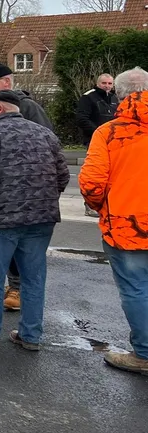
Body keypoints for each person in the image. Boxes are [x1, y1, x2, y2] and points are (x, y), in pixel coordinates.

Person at [0, 90, 68, 351]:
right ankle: (30, 335)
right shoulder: (44, 133)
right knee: (33, 278)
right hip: (41, 219)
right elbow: (63, 176)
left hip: (1, 220)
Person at [0, 61, 55, 312]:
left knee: (19, 255)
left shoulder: (29, 108)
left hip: (26, 199)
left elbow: (50, 150)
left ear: (7, 82)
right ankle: (17, 313)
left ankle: (14, 290)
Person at [78, 67, 148, 376]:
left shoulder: (108, 133)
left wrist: (104, 207)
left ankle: (144, 353)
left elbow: (92, 184)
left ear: (117, 94)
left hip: (127, 226)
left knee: (136, 289)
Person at [76, 73, 117, 216]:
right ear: (98, 83)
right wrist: (99, 133)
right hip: (95, 140)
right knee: (95, 172)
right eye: (104, 83)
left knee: (111, 173)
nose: (107, 86)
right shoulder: (88, 97)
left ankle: (106, 202)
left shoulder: (114, 98)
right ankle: (90, 204)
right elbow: (82, 119)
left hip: (113, 141)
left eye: (110, 83)